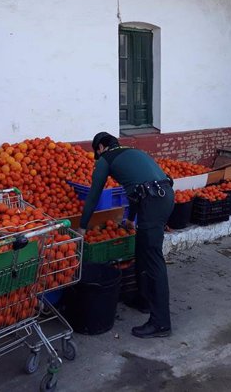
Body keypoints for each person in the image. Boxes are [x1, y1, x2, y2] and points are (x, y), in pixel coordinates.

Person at [78, 132, 174, 338]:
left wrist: (83, 226)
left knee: (153, 258)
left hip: (153, 202)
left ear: (101, 147)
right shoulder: (132, 152)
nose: (98, 157)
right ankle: (144, 300)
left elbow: (94, 193)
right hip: (163, 195)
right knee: (142, 248)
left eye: (98, 152)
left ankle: (161, 323)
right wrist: (131, 218)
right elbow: (137, 190)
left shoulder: (106, 158)